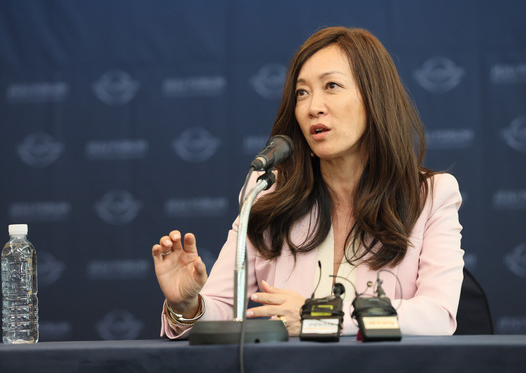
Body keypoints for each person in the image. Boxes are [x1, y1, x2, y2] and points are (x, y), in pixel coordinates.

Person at [152, 26, 464, 339]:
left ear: (375, 99)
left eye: (331, 86)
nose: (313, 107)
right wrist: (187, 305)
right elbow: (221, 306)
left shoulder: (431, 195)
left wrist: (317, 317)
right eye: (302, 92)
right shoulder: (268, 193)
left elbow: (438, 316)